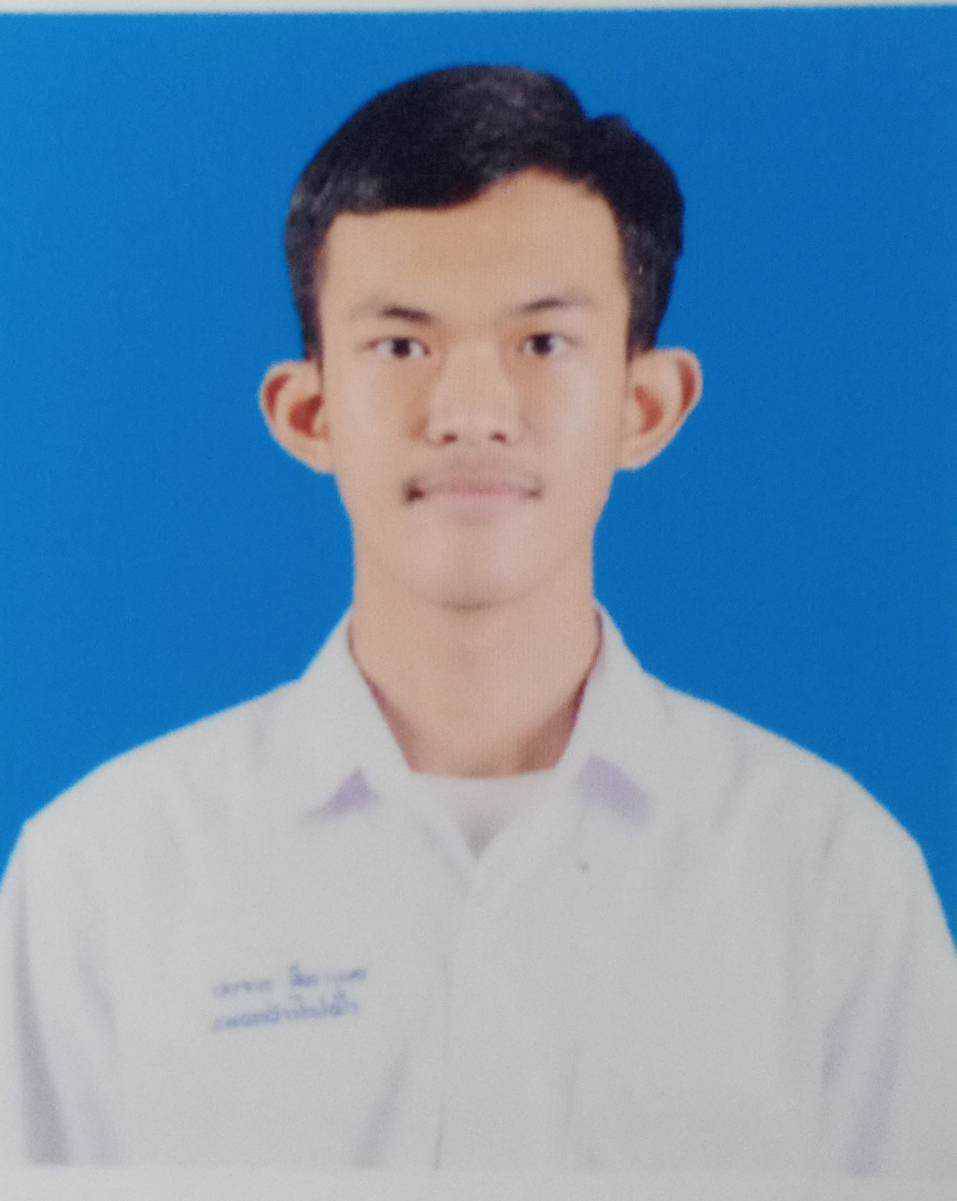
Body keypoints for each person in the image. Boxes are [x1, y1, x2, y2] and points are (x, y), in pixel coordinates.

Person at [1, 65, 954, 1175]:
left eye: (541, 344)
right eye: (401, 346)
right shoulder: (105, 876)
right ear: (308, 410)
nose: (470, 413)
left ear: (645, 405)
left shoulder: (828, 878)